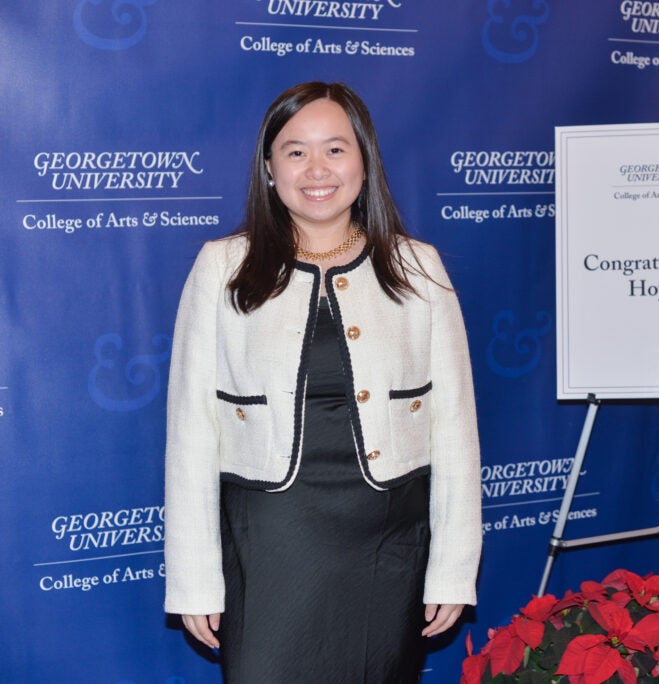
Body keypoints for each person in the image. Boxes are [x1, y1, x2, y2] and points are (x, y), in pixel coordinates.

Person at [163, 81, 482, 682]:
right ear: (269, 168)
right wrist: (195, 578)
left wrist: (452, 567)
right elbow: (190, 434)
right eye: (295, 151)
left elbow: (455, 430)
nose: (317, 169)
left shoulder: (421, 269)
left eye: (335, 150)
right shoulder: (221, 267)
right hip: (268, 541)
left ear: (364, 162)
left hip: (387, 541)